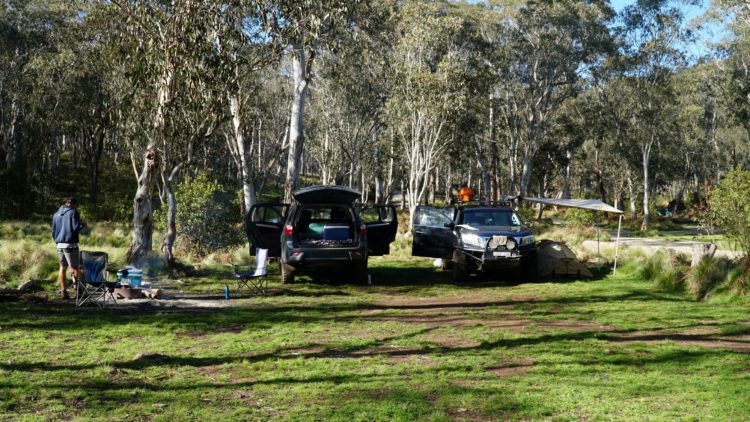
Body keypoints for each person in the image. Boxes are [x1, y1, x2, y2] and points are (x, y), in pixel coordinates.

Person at [52, 197, 84, 299]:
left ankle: (63, 292)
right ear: (74, 204)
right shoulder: (73, 212)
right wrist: (83, 225)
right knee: (74, 268)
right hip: (70, 245)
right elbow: (75, 227)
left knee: (62, 268)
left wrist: (57, 241)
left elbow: (53, 231)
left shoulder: (56, 214)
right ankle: (78, 292)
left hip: (59, 245)